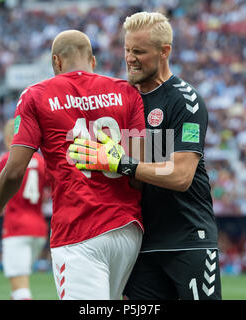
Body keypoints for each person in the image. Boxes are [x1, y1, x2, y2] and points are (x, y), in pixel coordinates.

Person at [0, 30, 145, 300]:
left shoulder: (36, 96)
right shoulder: (126, 91)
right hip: (128, 228)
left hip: (79, 228)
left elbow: (14, 170)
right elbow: (142, 168)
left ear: (56, 62)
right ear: (92, 61)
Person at [69, 11, 221, 300]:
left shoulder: (185, 101)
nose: (130, 58)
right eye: (127, 50)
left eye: (139, 51)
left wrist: (122, 162)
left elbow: (180, 176)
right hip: (138, 244)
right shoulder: (121, 99)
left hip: (188, 240)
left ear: (165, 52)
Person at [0, 119, 48, 300]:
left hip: (16, 228)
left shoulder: (5, 160)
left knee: (21, 289)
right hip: (39, 230)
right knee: (18, 285)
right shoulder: (41, 161)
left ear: (9, 138)